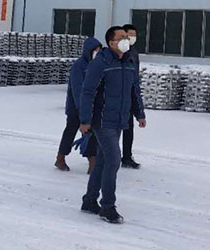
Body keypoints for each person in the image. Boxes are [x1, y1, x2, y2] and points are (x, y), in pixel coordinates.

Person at [79, 26, 147, 224]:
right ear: (111, 43)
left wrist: (139, 114)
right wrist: (85, 120)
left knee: (102, 160)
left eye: (127, 37)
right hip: (102, 120)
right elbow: (87, 92)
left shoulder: (129, 61)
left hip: (119, 119)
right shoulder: (100, 63)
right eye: (122, 37)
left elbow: (134, 90)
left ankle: (90, 200)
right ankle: (107, 206)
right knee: (114, 160)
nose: (127, 40)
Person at [55, 36, 101, 172]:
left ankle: (92, 161)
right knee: (71, 131)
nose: (97, 53)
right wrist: (82, 109)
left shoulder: (98, 65)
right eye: (95, 50)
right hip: (76, 106)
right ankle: (61, 157)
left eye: (99, 50)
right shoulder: (79, 66)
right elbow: (77, 88)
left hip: (92, 106)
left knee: (91, 133)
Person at [120, 23, 141, 169]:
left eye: (134, 35)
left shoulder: (134, 52)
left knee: (129, 128)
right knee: (111, 130)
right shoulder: (118, 51)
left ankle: (127, 156)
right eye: (130, 34)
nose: (132, 37)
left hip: (129, 95)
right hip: (116, 96)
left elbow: (135, 76)